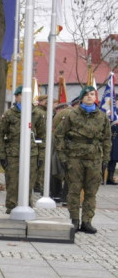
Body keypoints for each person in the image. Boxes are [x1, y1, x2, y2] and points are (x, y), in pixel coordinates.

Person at [55, 85, 110, 233]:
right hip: (75, 158)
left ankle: (87, 221)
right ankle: (74, 220)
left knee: (91, 191)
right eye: (86, 95)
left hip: (94, 158)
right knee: (74, 190)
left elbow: (107, 139)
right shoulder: (72, 115)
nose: (90, 97)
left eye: (92, 94)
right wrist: (63, 156)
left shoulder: (102, 116)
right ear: (81, 98)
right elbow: (60, 134)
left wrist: (106, 158)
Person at [0, 87, 42, 213]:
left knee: (29, 182)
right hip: (13, 153)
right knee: (12, 182)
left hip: (31, 153)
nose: (23, 98)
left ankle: (27, 206)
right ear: (16, 97)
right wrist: (2, 155)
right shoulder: (9, 114)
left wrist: (41, 156)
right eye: (20, 95)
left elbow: (43, 136)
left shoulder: (36, 113)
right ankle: (11, 207)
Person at [107, 119, 118, 185]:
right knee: (109, 160)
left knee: (113, 160)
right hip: (111, 141)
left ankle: (110, 178)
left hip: (115, 142)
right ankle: (107, 178)